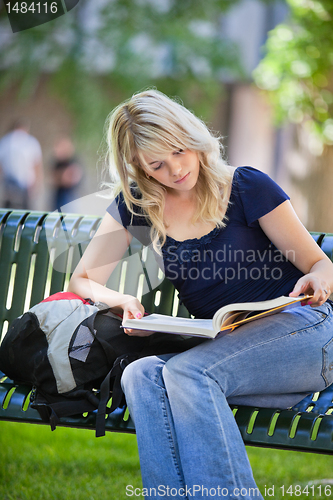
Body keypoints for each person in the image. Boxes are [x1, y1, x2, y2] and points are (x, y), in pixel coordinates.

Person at [68, 89, 333, 499]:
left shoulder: (245, 186)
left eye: (179, 151)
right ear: (138, 167)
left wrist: (317, 280)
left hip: (305, 335)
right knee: (141, 375)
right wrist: (119, 301)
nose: (175, 169)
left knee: (188, 373)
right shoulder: (140, 207)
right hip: (230, 353)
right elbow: (82, 279)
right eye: (157, 163)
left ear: (192, 137)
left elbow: (321, 264)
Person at [0, 118, 43, 209]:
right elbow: (37, 165)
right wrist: (37, 184)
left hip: (14, 184)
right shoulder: (31, 142)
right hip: (23, 183)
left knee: (9, 211)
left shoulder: (5, 141)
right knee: (25, 212)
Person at [51, 136, 83, 211]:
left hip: (69, 196)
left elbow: (73, 178)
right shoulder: (57, 163)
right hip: (57, 196)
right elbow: (54, 178)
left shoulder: (73, 161)